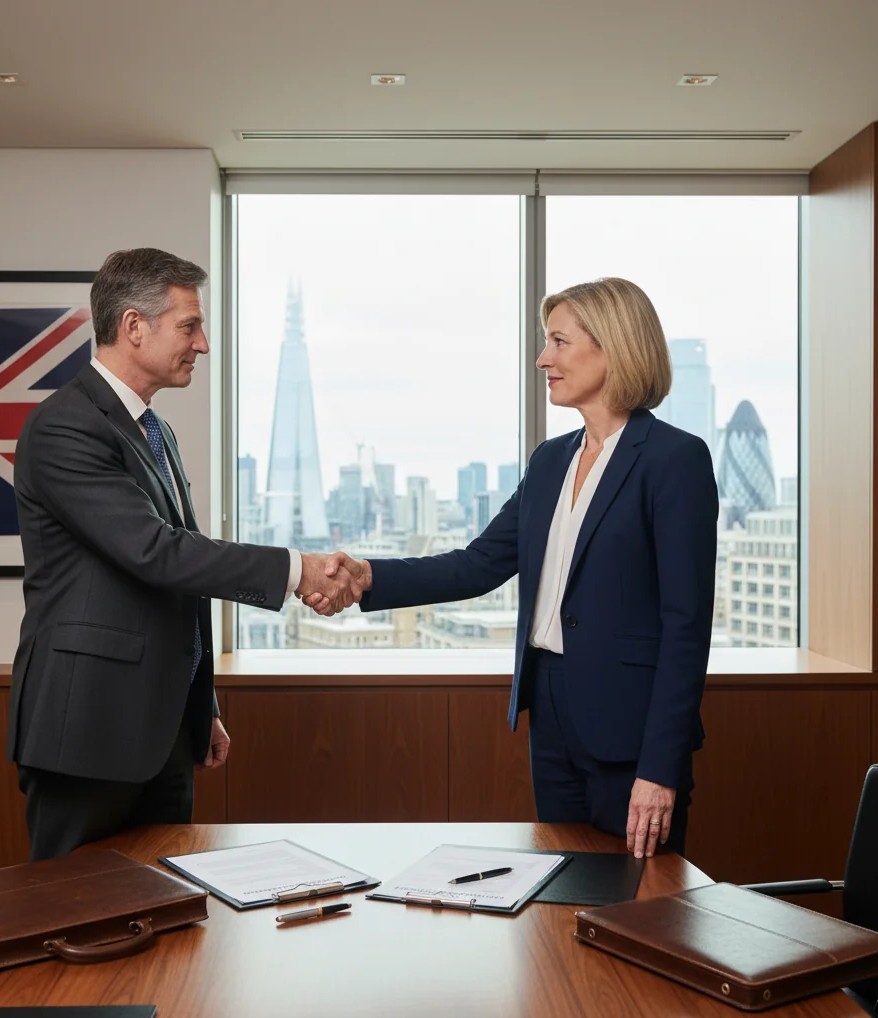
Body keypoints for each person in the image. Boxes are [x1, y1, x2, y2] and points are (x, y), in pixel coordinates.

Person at [306, 278, 718, 858]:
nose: (542, 358)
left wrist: (660, 767)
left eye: (558, 341)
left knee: (641, 910)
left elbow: (686, 626)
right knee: (564, 897)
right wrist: (367, 576)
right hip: (550, 710)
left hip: (632, 727)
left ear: (613, 347)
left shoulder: (676, 460)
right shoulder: (551, 461)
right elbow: (478, 564)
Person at [9, 248, 361, 860]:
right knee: (75, 920)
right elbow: (157, 553)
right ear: (133, 328)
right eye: (189, 326)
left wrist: (201, 709)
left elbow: (179, 584)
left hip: (164, 731)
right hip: (88, 728)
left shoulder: (155, 430)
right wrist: (297, 569)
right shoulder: (64, 426)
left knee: (164, 916)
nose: (202, 344)